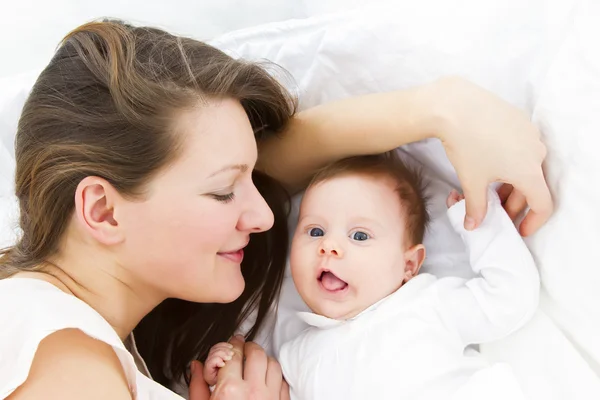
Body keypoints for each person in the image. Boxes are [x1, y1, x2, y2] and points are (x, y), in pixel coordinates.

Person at [0, 18, 551, 400]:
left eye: (250, 182)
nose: (266, 216)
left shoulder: (62, 325)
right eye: (223, 192)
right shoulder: (64, 363)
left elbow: (270, 161)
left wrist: (440, 108)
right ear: (104, 210)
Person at [259, 154, 536, 399]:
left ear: (409, 265)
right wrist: (227, 365)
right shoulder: (294, 356)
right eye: (315, 231)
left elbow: (509, 300)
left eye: (359, 235)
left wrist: (483, 226)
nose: (328, 245)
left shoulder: (427, 304)